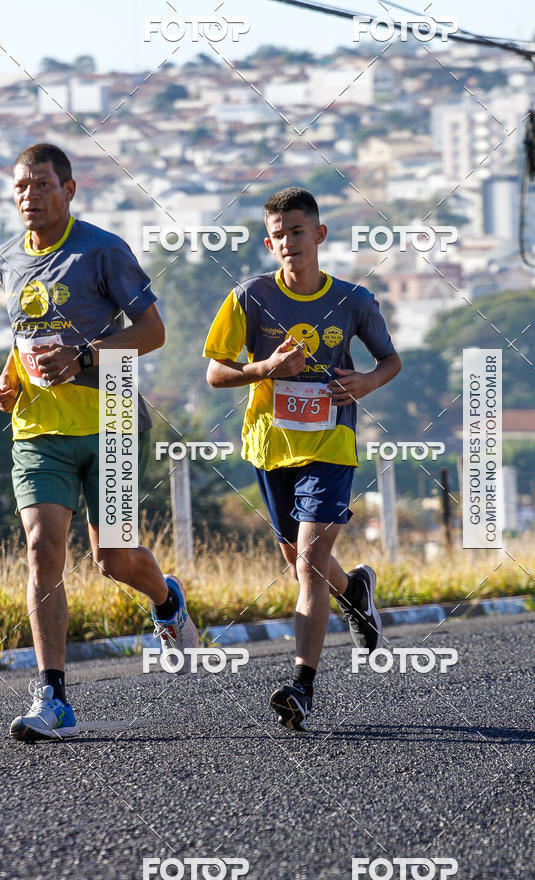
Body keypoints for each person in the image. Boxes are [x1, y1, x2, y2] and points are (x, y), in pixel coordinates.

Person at [0, 143, 199, 742]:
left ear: (69, 188)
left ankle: (165, 600)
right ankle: (54, 695)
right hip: (39, 430)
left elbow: (153, 331)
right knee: (42, 548)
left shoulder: (103, 250)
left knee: (112, 558)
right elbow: (24, 336)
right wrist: (9, 377)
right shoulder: (10, 259)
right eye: (19, 188)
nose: (28, 196)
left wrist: (84, 354)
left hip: (110, 416)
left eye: (40, 184)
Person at [204, 187, 402, 731]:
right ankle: (356, 590)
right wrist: (264, 369)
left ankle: (303, 685)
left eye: (298, 231)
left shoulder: (353, 300)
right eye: (279, 234)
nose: (289, 242)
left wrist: (365, 381)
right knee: (298, 565)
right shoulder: (250, 297)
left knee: (309, 565)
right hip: (271, 445)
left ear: (319, 235)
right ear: (269, 243)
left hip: (331, 446)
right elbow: (216, 371)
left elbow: (391, 361)